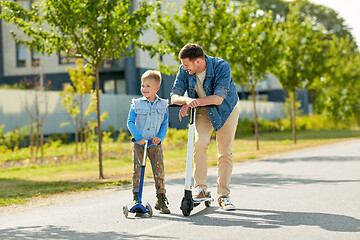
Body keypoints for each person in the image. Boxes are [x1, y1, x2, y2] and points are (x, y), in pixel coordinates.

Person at [170, 43, 240, 211]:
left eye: (187, 65)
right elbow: (174, 96)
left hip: (226, 110)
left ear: (198, 63)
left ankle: (224, 196)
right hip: (202, 111)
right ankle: (200, 188)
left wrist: (193, 102)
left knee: (225, 152)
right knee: (199, 143)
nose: (184, 68)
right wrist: (186, 101)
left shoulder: (221, 66)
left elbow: (218, 99)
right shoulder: (184, 69)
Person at [127, 70, 170, 214]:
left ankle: (161, 198)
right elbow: (130, 122)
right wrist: (138, 137)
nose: (144, 89)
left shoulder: (163, 105)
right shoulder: (137, 104)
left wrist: (160, 137)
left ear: (157, 88)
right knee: (137, 171)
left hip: (154, 145)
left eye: (148, 86)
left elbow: (164, 123)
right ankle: (136, 199)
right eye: (142, 85)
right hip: (139, 144)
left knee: (159, 171)